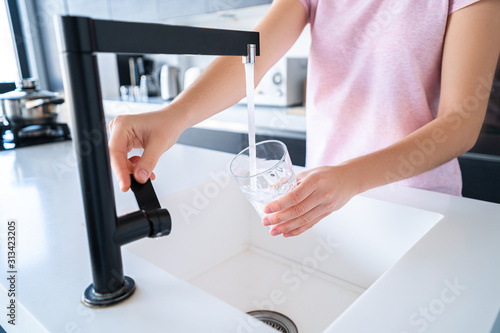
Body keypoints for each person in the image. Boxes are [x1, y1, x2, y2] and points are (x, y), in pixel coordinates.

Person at [108, 0, 500, 237]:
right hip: (326, 204)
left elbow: (460, 123)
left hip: (419, 209)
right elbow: (252, 56)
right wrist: (173, 116)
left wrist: (349, 177)